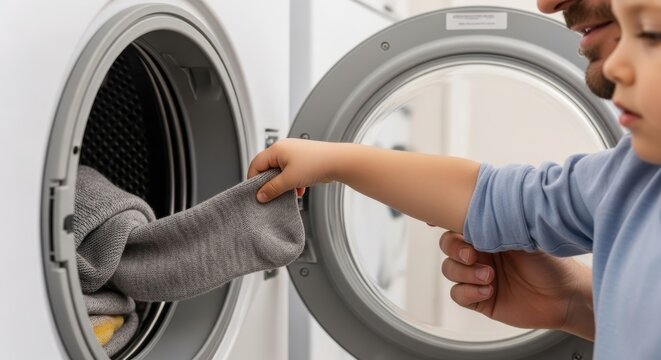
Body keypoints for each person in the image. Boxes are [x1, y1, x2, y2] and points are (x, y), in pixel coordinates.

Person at [248, 0, 661, 358]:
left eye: (651, 34)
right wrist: (572, 303)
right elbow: (496, 199)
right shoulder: (635, 174)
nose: (620, 63)